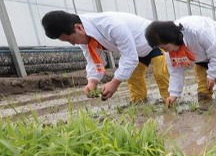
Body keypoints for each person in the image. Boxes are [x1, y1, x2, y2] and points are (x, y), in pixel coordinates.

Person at [41, 10, 169, 103]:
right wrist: (92, 81)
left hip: (153, 43)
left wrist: (114, 83)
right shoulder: (85, 37)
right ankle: (140, 105)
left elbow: (130, 57)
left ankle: (171, 101)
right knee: (134, 79)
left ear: (78, 27)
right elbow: (93, 60)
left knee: (161, 74)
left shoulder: (111, 26)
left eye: (70, 40)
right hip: (135, 50)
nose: (73, 43)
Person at [145, 16, 216, 106]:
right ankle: (205, 108)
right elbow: (175, 73)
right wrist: (173, 95)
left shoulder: (199, 31)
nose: (165, 51)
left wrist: (212, 75)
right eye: (161, 48)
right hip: (200, 55)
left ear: (172, 38)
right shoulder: (169, 49)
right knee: (203, 88)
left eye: (165, 47)